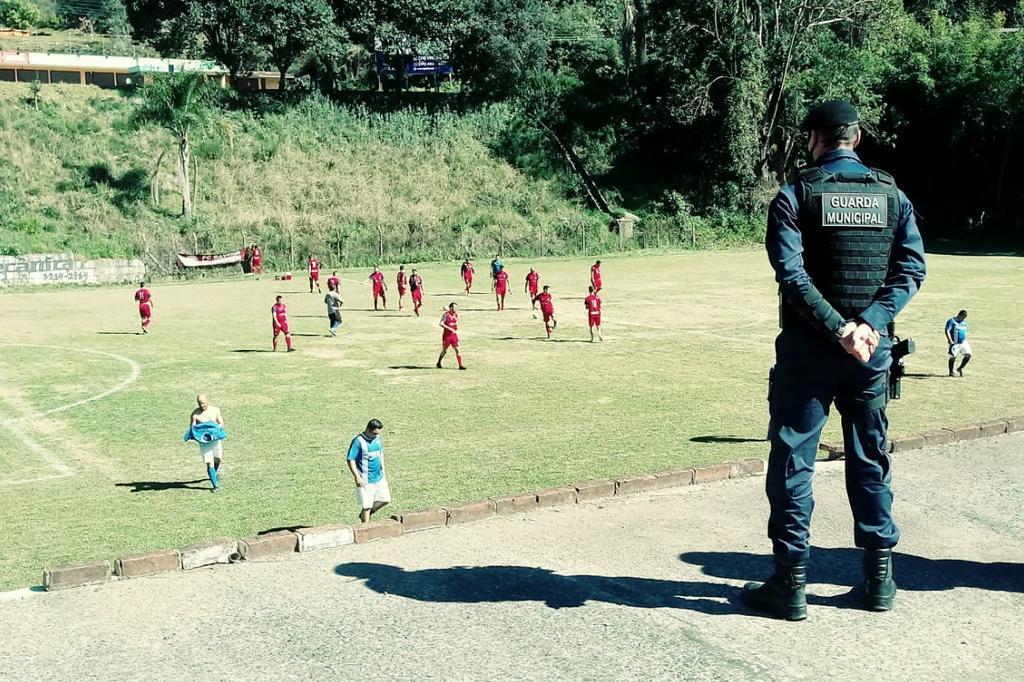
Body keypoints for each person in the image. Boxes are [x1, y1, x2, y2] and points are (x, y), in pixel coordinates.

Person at [745, 99, 926, 621]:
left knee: (793, 460)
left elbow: (792, 275)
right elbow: (911, 269)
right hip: (871, 352)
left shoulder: (795, 193)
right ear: (857, 138)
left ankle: (791, 584)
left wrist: (840, 327)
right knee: (870, 458)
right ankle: (879, 582)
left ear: (813, 139)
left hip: (809, 350)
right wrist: (869, 323)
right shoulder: (892, 195)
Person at [347, 419, 391, 523]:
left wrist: (383, 468)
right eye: (374, 433)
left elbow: (380, 453)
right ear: (368, 429)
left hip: (378, 477)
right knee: (366, 506)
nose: (376, 435)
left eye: (378, 433)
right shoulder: (358, 441)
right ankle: (365, 527)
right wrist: (357, 476)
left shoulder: (377, 438)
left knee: (385, 499)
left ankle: (367, 513)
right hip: (365, 480)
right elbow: (350, 459)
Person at [184, 395, 227, 493]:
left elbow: (221, 424)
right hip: (205, 442)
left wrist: (213, 430)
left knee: (218, 459)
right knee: (209, 462)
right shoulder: (195, 414)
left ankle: (214, 474)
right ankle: (215, 486)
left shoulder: (215, 410)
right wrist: (197, 435)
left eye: (203, 403)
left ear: (207, 401)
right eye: (200, 403)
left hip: (215, 439)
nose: (202, 405)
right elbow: (192, 428)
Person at [437, 302, 466, 370]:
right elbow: (441, 324)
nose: (456, 309)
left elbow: (455, 322)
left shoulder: (456, 315)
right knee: (445, 350)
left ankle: (460, 365)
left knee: (457, 349)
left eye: (457, 308)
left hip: (454, 335)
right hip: (446, 336)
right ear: (451, 308)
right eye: (455, 307)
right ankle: (438, 362)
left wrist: (456, 327)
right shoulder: (445, 315)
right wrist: (449, 328)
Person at [945, 309, 971, 377]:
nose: (963, 319)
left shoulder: (964, 323)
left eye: (965, 318)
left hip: (963, 342)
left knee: (968, 355)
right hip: (955, 343)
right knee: (953, 357)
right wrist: (950, 341)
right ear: (959, 315)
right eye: (963, 317)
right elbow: (947, 330)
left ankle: (960, 368)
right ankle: (951, 372)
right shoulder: (952, 321)